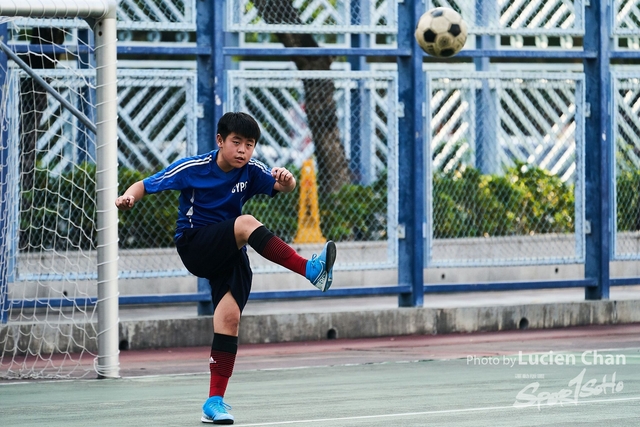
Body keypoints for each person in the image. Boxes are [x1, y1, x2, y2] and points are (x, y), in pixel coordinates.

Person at [115, 112, 336, 425]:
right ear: (220, 141)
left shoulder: (250, 171)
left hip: (229, 251)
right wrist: (128, 197)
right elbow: (144, 184)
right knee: (246, 223)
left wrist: (289, 182)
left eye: (249, 144)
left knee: (229, 320)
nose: (243, 150)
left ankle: (214, 401)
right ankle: (310, 270)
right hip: (194, 244)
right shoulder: (193, 168)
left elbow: (281, 187)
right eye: (236, 143)